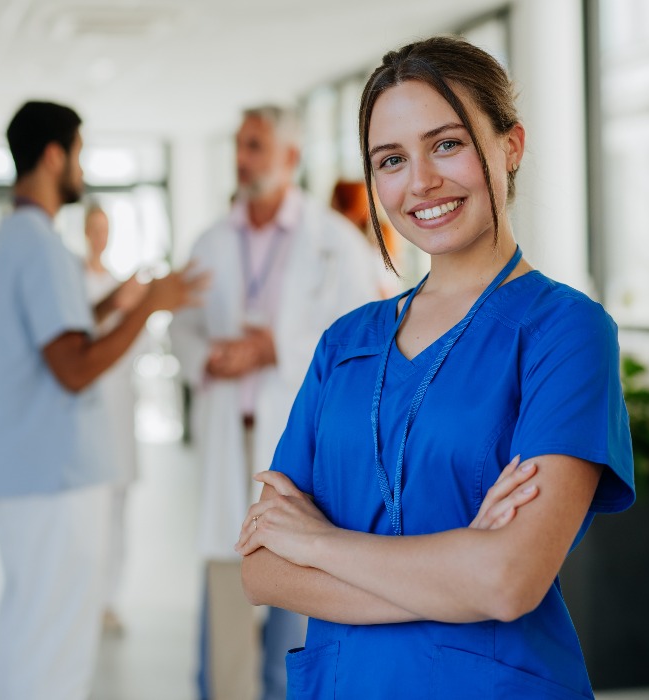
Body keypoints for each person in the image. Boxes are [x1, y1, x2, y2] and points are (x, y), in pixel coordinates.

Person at [237, 36, 635, 698]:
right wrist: (461, 569)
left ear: (510, 145)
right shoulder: (345, 343)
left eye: (445, 144)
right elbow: (262, 571)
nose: (420, 182)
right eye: (390, 159)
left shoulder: (564, 332)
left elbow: (509, 581)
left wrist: (317, 544)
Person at [0, 101, 206, 700]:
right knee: (57, 643)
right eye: (78, 153)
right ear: (54, 156)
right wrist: (152, 305)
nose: (82, 167)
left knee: (30, 629)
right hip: (56, 478)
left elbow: (50, 338)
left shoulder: (7, 241)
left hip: (25, 473)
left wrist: (113, 307)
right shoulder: (42, 247)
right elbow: (73, 368)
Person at [169, 105, 382, 700]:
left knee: (294, 587)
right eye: (240, 145)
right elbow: (181, 328)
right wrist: (207, 357)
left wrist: (273, 348)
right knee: (224, 580)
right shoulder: (210, 241)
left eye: (256, 146)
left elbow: (362, 338)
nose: (243, 157)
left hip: (297, 443)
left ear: (290, 157)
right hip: (226, 434)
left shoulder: (334, 243)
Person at [82, 203, 141, 636]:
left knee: (118, 508)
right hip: (87, 409)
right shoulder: (75, 283)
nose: (99, 235)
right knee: (89, 509)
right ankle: (85, 596)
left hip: (119, 406)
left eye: (105, 228)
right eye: (93, 228)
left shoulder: (123, 286)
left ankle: (108, 599)